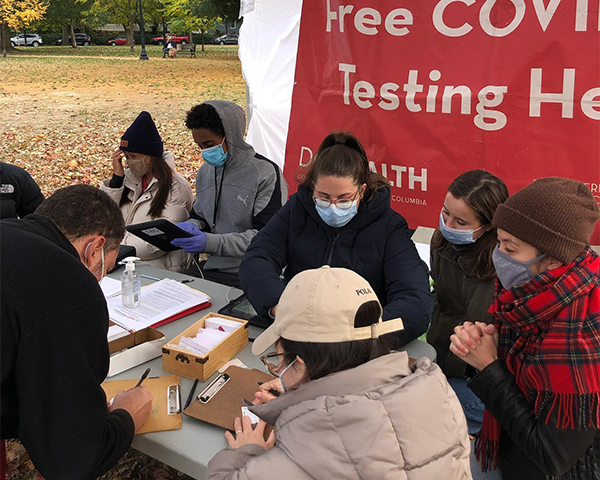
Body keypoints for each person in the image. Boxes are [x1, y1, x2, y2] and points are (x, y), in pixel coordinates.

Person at [205, 266, 472, 480]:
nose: (277, 369)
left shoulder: (307, 449)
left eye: (276, 359)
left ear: (300, 363)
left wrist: (245, 451)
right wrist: (300, 396)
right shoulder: (437, 391)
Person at [449, 177, 600, 479]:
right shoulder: (534, 296)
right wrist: (484, 348)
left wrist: (489, 366)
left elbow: (552, 456)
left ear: (552, 259)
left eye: (510, 248)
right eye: (500, 242)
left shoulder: (579, 332)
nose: (499, 255)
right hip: (509, 451)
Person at [0, 184, 153, 480]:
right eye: (104, 269)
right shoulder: (68, 283)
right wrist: (126, 417)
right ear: (94, 248)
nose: (98, 280)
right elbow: (70, 458)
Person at [239, 131, 432, 346]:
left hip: (361, 344)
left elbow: (415, 301)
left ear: (362, 190)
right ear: (312, 189)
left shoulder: (389, 227)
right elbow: (258, 257)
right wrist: (280, 306)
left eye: (344, 199)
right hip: (298, 334)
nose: (332, 206)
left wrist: (361, 335)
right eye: (323, 197)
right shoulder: (297, 210)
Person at [172, 100, 288, 287]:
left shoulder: (264, 173)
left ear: (231, 135)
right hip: (211, 268)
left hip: (253, 270)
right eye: (200, 145)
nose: (205, 152)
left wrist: (210, 242)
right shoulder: (206, 172)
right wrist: (191, 226)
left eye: (210, 144)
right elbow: (200, 216)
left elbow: (265, 237)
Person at [427, 170, 508, 434]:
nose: (448, 224)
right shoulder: (440, 243)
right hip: (441, 356)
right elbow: (440, 302)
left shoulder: (503, 263)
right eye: (445, 213)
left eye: (461, 221)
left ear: (488, 225)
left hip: (479, 370)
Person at [100, 111, 194, 272]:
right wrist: (116, 181)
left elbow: (157, 241)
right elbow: (103, 216)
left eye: (133, 156)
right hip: (122, 261)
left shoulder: (176, 188)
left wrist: (114, 250)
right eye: (126, 156)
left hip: (158, 268)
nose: (129, 162)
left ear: (150, 156)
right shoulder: (129, 180)